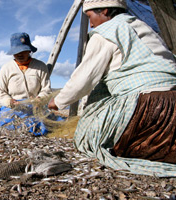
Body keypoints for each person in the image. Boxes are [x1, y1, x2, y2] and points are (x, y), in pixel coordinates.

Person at [48, 0, 176, 176]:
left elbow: (84, 79)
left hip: (150, 109)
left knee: (88, 138)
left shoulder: (105, 33)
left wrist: (58, 101)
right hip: (173, 102)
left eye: (90, 16)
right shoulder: (143, 28)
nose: (91, 23)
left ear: (105, 10)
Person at [0, 32, 51, 108]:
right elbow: (0, 93)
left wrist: (40, 98)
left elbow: (46, 90)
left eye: (23, 51)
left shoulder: (41, 66)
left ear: (29, 51)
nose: (19, 54)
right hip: (12, 108)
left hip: (35, 107)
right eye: (16, 52)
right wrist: (9, 101)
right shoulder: (6, 68)